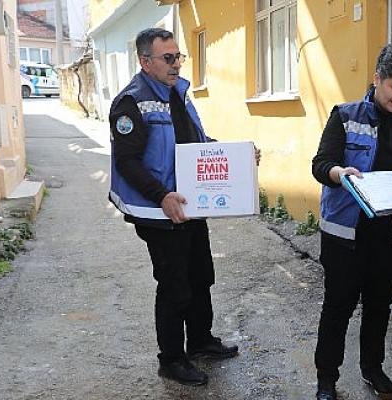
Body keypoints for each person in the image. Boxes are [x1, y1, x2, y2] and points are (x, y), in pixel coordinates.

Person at [108, 28, 255, 386]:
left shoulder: (179, 93)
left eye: (178, 57)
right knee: (175, 285)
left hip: (190, 203)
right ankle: (171, 359)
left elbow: (197, 144)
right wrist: (162, 195)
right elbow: (127, 161)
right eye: (168, 58)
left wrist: (238, 159)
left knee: (201, 275)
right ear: (146, 62)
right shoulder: (131, 102)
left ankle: (201, 340)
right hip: (158, 211)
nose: (176, 64)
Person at [311, 42, 392, 400]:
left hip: (390, 232)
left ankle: (372, 368)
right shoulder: (345, 116)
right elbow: (320, 164)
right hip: (346, 233)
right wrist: (339, 173)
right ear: (377, 78)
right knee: (338, 306)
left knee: (379, 306)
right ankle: (326, 380)